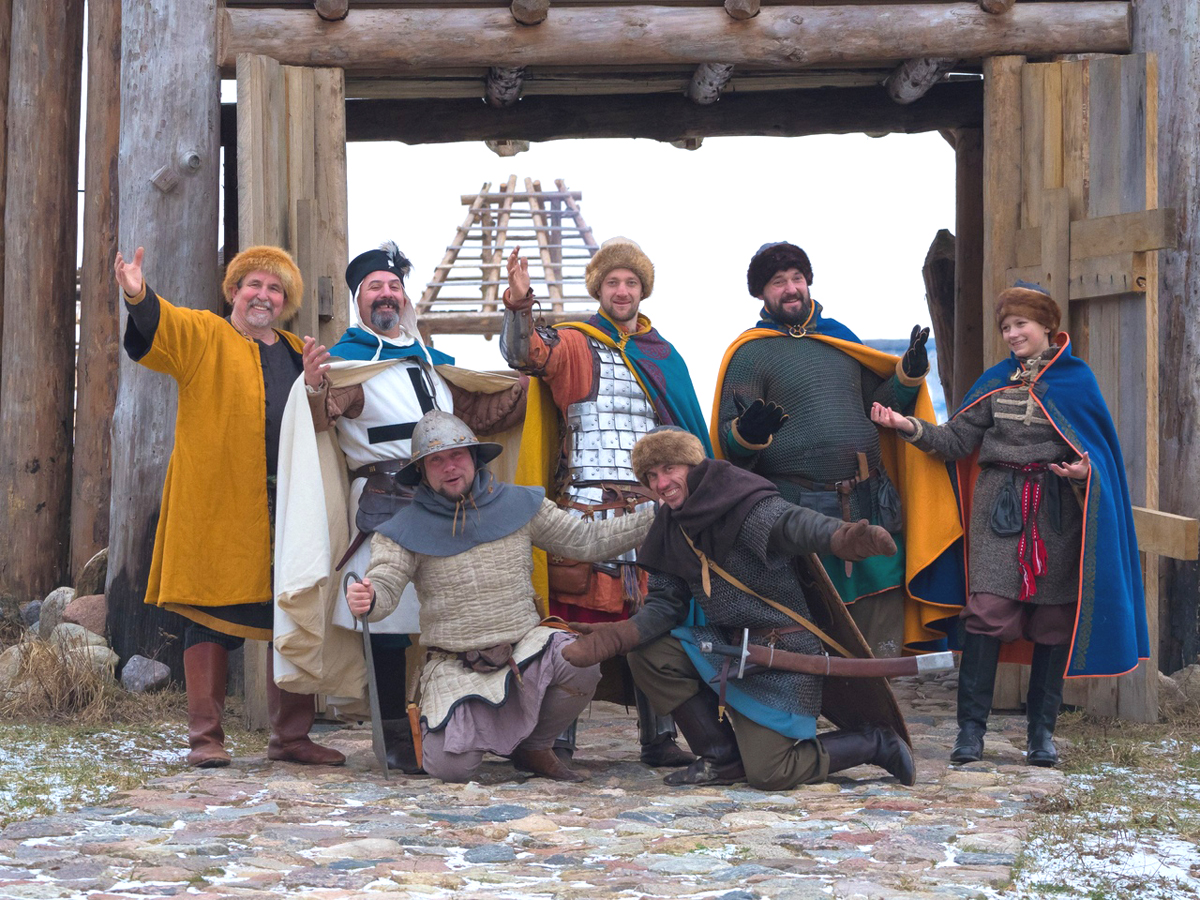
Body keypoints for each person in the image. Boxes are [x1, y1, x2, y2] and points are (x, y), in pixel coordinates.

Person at [871, 283, 1148, 767]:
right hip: (998, 512)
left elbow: (1097, 453)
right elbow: (956, 440)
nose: (1013, 334)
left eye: (1021, 324)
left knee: (1053, 620)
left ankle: (1041, 736)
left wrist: (1085, 473)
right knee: (987, 612)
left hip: (1056, 514)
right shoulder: (996, 381)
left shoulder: (1076, 381)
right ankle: (970, 733)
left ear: (1046, 326)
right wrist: (906, 426)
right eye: (1006, 327)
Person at [274, 241, 525, 774]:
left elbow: (487, 410)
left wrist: (530, 373)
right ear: (358, 302)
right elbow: (322, 414)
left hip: (445, 504)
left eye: (393, 287)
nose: (386, 295)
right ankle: (395, 738)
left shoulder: (434, 364)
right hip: (384, 505)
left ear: (404, 298)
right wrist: (314, 388)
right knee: (387, 624)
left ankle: (468, 724)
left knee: (457, 613)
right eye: (374, 288)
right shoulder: (348, 364)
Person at [560, 427, 916, 790]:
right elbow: (665, 604)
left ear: (692, 465)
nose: (661, 483)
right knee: (649, 653)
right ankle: (721, 758)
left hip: (782, 654)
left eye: (669, 469)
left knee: (772, 773)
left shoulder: (739, 499)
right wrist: (616, 637)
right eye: (651, 475)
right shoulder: (671, 525)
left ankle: (875, 742)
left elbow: (792, 524)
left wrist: (841, 536)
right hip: (728, 649)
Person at [114, 245, 344, 769]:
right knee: (210, 612)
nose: (263, 295)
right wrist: (137, 295)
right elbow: (163, 326)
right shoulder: (205, 334)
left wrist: (314, 387)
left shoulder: (296, 351)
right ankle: (206, 739)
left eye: (275, 289)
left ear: (285, 302)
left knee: (291, 605)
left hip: (286, 504)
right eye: (253, 285)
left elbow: (322, 424)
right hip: (220, 501)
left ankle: (291, 737)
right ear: (234, 292)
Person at [344, 410, 655, 783]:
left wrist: (658, 518)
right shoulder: (399, 530)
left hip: (525, 652)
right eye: (436, 460)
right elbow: (385, 582)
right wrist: (368, 599)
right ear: (422, 471)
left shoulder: (520, 504)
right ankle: (472, 736)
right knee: (451, 769)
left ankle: (534, 746)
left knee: (580, 660)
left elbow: (586, 540)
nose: (449, 467)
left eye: (457, 455)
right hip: (456, 666)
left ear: (474, 457)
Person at [500, 236, 710, 767]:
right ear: (598, 289)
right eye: (613, 282)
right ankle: (557, 738)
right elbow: (527, 354)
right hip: (586, 507)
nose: (622, 290)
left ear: (642, 291)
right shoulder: (575, 344)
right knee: (574, 620)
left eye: (631, 282)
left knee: (655, 617)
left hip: (652, 507)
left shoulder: (663, 355)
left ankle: (659, 738)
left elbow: (685, 432)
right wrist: (520, 306)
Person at [712, 241, 963, 658]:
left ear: (808, 281)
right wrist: (746, 434)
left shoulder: (838, 340)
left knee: (881, 609)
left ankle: (883, 695)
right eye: (778, 282)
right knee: (814, 615)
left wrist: (908, 374)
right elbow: (731, 450)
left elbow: (879, 409)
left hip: (870, 498)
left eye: (797, 278)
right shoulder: (750, 354)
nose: (791, 289)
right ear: (761, 293)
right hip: (798, 505)